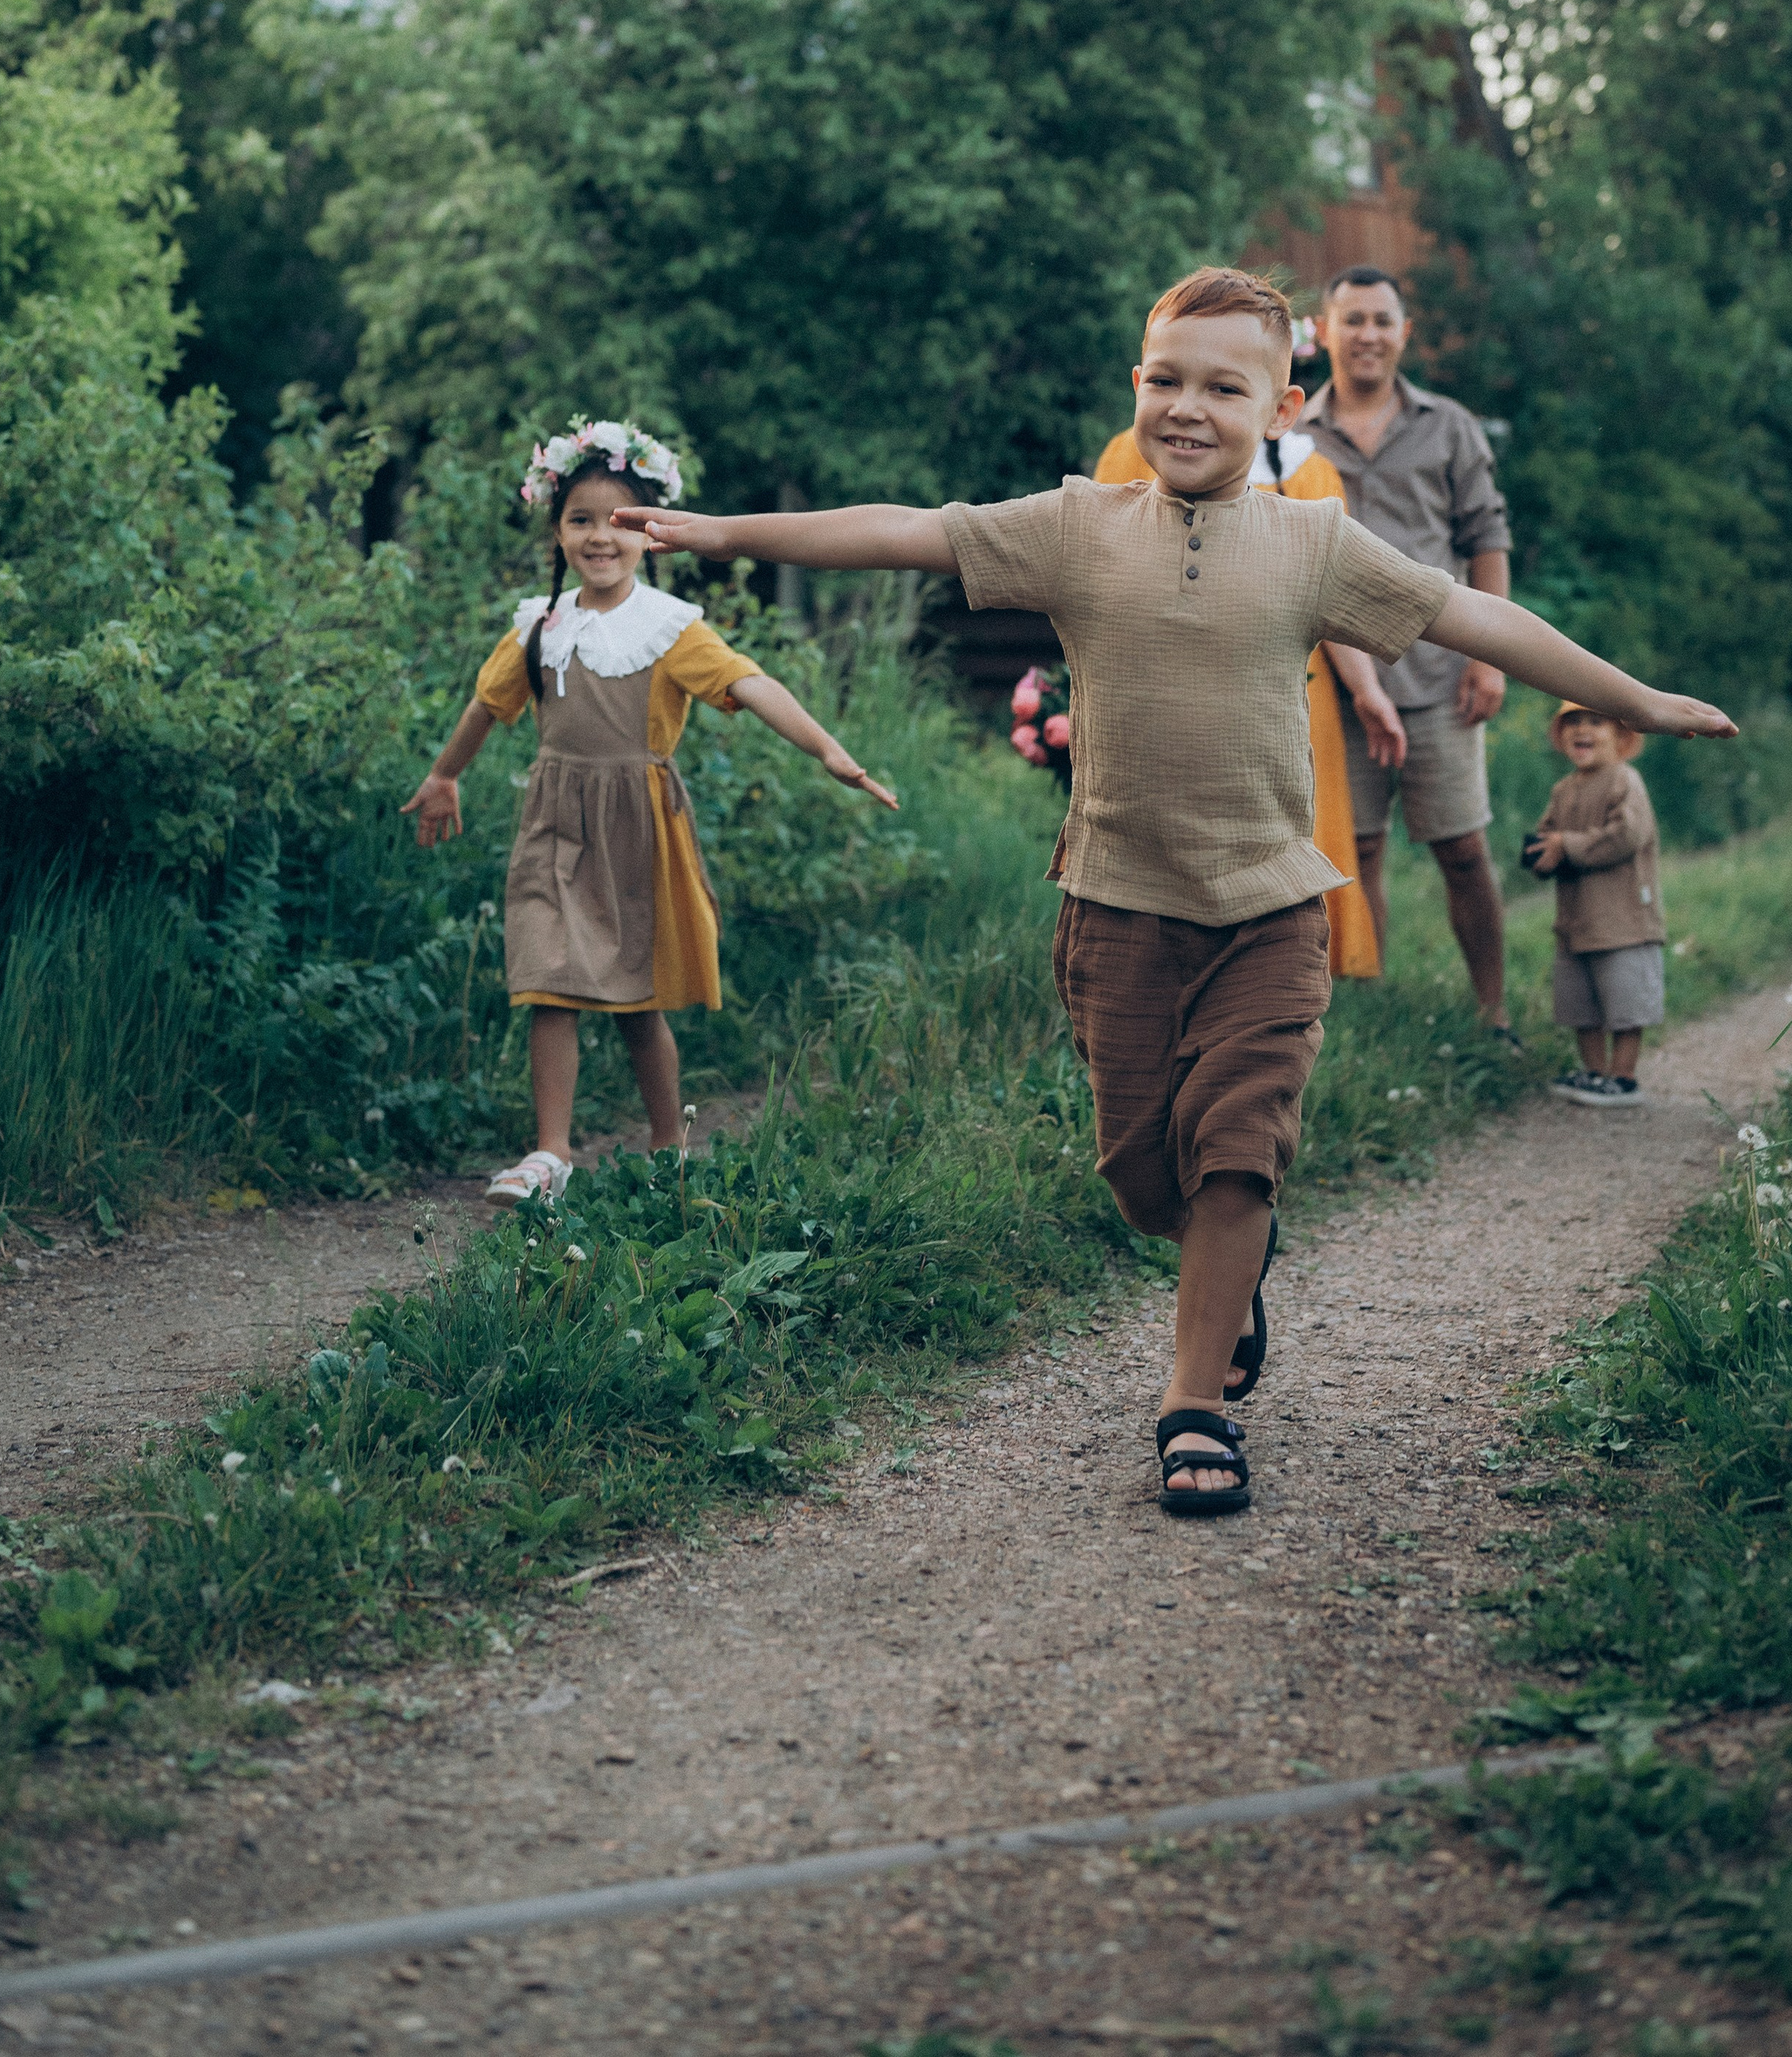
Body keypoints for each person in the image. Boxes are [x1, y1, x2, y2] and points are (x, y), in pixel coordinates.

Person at [616, 270, 1734, 1517]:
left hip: (1270, 905)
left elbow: (1471, 614)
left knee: (1238, 1155)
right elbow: (905, 530)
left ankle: (1194, 1402)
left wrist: (1632, 698)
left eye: (1224, 386)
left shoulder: (1314, 542)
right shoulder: (1078, 526)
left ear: (1283, 407)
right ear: (1136, 386)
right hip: (1117, 904)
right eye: (1166, 379)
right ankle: (1226, 1265)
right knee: (1146, 1178)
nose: (1189, 406)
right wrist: (726, 535)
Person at [401, 414, 895, 1208]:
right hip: (553, 822)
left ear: (651, 534)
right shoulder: (540, 627)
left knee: (637, 1000)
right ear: (557, 531)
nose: (601, 537)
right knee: (548, 980)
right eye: (581, 520)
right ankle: (551, 1152)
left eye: (620, 522)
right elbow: (487, 705)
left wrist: (826, 748)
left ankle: (670, 1148)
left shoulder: (668, 629)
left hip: (637, 830)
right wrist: (443, 774)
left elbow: (750, 683)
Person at [1093, 422, 1404, 978]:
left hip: (1294, 689)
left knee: (1291, 817)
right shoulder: (1129, 452)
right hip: (1170, 679)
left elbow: (1329, 593)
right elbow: (1099, 576)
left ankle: (1290, 965)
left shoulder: (1312, 471)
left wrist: (1366, 688)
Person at [1299, 266, 1517, 1033]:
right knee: (1353, 856)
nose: (1368, 335)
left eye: (1382, 320)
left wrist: (1488, 657)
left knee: (1463, 848)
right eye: (1353, 319)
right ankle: (1366, 1021)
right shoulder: (1291, 432)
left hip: (1438, 677)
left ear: (1404, 332)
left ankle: (1493, 1012)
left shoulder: (1448, 425)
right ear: (1324, 330)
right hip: (1331, 683)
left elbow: (1486, 540)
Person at [1527, 703, 1666, 1104]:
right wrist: (1541, 855)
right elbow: (1548, 836)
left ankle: (1623, 1077)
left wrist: (1567, 846)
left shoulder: (1625, 780)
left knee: (1626, 1000)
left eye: (1595, 722)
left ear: (1622, 736)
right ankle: (1594, 1072)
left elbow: (1627, 836)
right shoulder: (1563, 790)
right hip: (1576, 921)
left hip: (1623, 919)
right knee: (1580, 1003)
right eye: (1571, 723)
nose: (1581, 730)